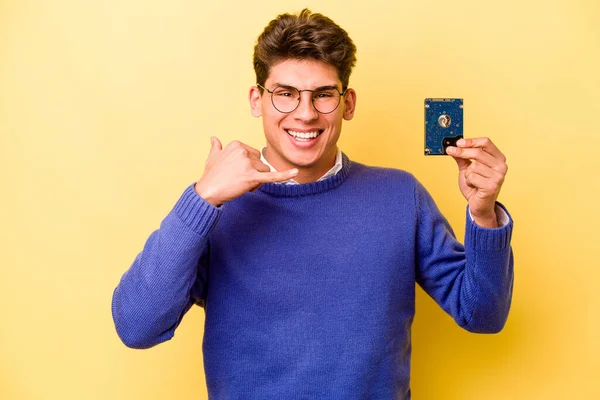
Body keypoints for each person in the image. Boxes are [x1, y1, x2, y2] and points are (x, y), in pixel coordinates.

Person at [112, 9, 514, 399]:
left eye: (323, 95)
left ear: (348, 103)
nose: (305, 114)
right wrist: (200, 199)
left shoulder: (399, 196)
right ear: (257, 99)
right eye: (285, 94)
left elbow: (483, 314)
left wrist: (483, 214)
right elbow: (137, 325)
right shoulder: (214, 208)